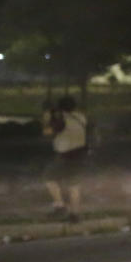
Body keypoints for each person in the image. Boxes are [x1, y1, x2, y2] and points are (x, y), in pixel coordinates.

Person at [42, 95, 89, 223]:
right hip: (80, 156)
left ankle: (60, 206)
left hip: (64, 156)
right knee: (74, 185)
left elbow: (48, 132)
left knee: (48, 177)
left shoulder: (62, 119)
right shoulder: (81, 117)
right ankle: (75, 215)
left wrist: (47, 118)